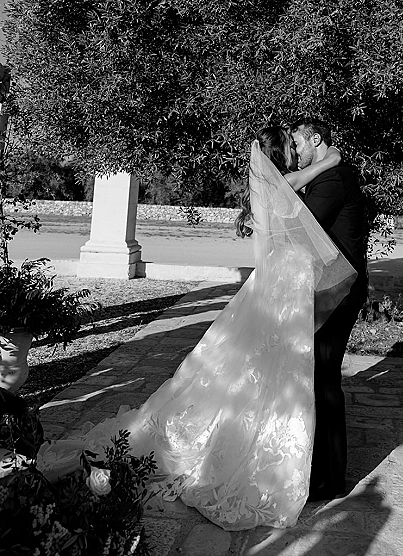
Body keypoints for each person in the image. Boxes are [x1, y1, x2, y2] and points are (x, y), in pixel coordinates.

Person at [37, 125, 357, 531]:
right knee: (271, 367)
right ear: (280, 157)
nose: (296, 151)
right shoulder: (281, 188)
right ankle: (263, 450)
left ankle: (284, 447)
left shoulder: (277, 187)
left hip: (285, 284)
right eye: (291, 147)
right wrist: (329, 161)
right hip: (285, 285)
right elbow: (293, 200)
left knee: (272, 369)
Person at [290, 117, 367, 502]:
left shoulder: (332, 180)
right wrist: (326, 161)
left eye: (297, 144)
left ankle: (330, 480)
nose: (294, 152)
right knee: (320, 376)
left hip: (339, 291)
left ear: (316, 140)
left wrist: (326, 164)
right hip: (332, 288)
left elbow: (298, 228)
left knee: (324, 378)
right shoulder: (329, 174)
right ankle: (319, 470)